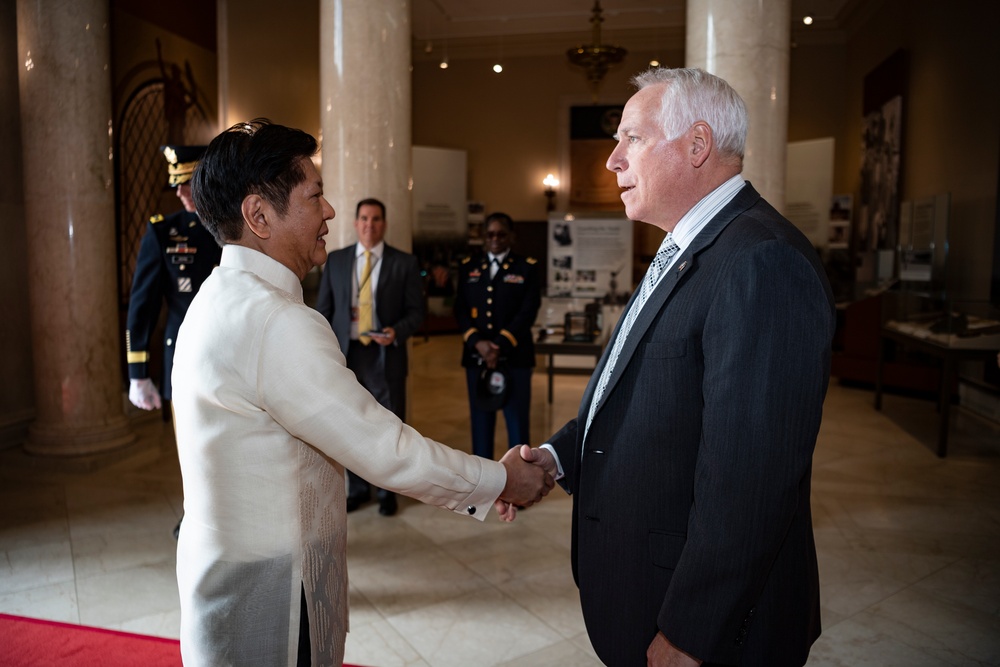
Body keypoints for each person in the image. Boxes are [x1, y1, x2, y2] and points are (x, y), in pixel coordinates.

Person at [172, 119, 552, 667]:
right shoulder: (275, 321)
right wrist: (501, 480)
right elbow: (385, 449)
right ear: (259, 215)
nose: (330, 213)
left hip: (227, 578)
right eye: (315, 196)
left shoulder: (218, 294)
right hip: (272, 597)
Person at [515, 68, 836, 666]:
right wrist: (556, 458)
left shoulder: (761, 261)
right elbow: (639, 392)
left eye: (630, 138)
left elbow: (753, 477)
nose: (612, 160)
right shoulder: (690, 244)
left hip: (708, 625)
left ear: (696, 145)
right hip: (644, 582)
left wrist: (692, 630)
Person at [314, 198, 424, 516]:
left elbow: (416, 313)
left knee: (388, 426)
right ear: (355, 222)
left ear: (384, 224)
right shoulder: (335, 260)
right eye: (363, 218)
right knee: (350, 424)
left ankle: (388, 491)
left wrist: (396, 331)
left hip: (384, 354)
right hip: (347, 355)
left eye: (376, 219)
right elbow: (324, 310)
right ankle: (359, 489)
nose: (369, 224)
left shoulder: (403, 263)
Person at [126, 144, 221, 415]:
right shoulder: (164, 232)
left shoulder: (238, 224)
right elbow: (142, 306)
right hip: (185, 360)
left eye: (187, 184)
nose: (179, 192)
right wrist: (138, 374)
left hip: (234, 357)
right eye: (176, 185)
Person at [454, 212, 541, 460]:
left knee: (516, 423)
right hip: (476, 357)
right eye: (490, 234)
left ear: (511, 236)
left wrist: (499, 345)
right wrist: (477, 342)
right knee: (480, 423)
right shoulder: (468, 266)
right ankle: (484, 485)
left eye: (501, 234)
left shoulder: (527, 267)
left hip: (515, 357)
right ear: (484, 237)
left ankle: (522, 483)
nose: (495, 239)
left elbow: (529, 309)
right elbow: (460, 308)